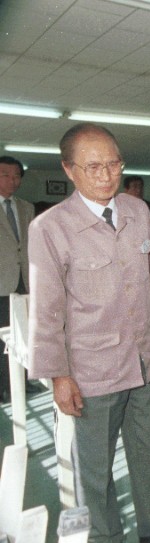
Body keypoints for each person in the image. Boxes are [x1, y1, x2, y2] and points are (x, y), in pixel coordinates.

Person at [27, 123, 150, 543]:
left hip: (144, 356)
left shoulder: (136, 211)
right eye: (93, 166)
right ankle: (104, 540)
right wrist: (57, 376)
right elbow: (45, 310)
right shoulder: (51, 228)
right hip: (91, 368)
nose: (106, 175)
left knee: (149, 449)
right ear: (69, 170)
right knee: (96, 466)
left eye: (114, 163)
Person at [0, 155, 34, 403]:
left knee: (23, 336)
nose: (12, 181)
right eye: (5, 175)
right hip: (1, 282)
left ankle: (19, 384)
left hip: (24, 282)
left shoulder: (26, 207)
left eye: (17, 176)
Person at [122, 175, 150, 250]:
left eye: (140, 187)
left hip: (145, 250)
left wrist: (143, 251)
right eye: (135, 187)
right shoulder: (120, 208)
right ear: (126, 190)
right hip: (124, 250)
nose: (138, 190)